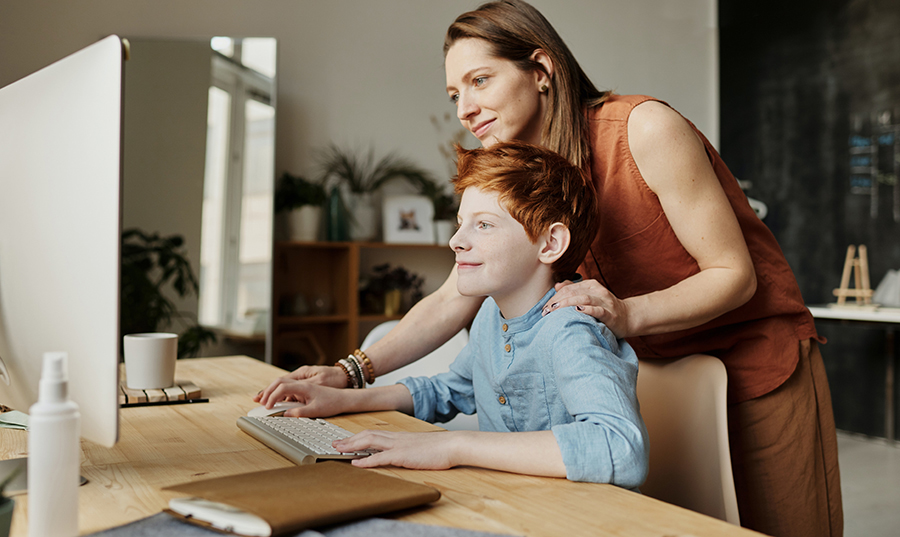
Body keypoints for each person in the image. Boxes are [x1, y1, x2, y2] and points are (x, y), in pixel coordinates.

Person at [259, 1, 842, 535]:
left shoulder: (644, 129)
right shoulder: (517, 169)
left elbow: (733, 274)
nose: (464, 109)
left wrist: (624, 315)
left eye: (479, 81)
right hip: (652, 369)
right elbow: (453, 297)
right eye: (454, 94)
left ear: (541, 69)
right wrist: (350, 372)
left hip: (755, 362)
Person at [257, 141, 649, 488]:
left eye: (484, 225)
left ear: (550, 243)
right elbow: (452, 390)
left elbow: (621, 447)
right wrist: (342, 399)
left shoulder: (570, 329)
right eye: (461, 223)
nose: (456, 241)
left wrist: (453, 446)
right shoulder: (491, 315)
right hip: (506, 502)